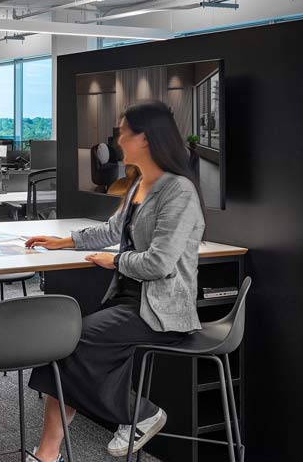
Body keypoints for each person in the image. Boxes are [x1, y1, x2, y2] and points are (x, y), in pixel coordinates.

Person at [23, 100, 206, 462]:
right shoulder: (140, 183)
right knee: (64, 346)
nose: (117, 140)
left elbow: (159, 263)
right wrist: (64, 241)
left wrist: (116, 260)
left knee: (67, 346)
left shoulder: (178, 191)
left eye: (123, 132)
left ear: (145, 138)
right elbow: (111, 230)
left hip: (161, 310)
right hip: (127, 301)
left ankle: (140, 413)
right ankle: (48, 453)